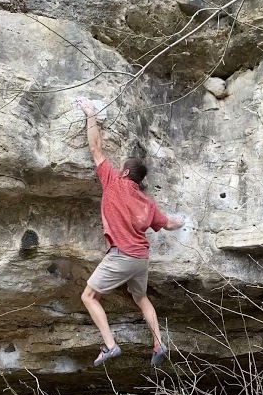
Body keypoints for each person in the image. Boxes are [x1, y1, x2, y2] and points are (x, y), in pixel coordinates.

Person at [75, 97, 186, 367]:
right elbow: (169, 224)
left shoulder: (114, 183)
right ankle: (158, 343)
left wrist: (90, 113)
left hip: (122, 254)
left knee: (89, 296)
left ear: (124, 173)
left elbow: (96, 148)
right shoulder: (148, 203)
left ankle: (110, 345)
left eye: (120, 166)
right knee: (140, 297)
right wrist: (182, 221)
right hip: (141, 259)